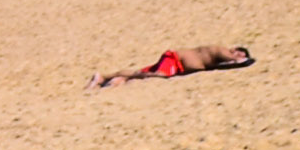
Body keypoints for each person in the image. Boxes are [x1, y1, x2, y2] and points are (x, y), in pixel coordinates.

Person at [93, 44, 253, 86]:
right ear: (235, 49)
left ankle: (109, 77)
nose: (239, 56)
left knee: (144, 71)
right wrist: (242, 61)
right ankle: (109, 77)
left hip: (178, 65)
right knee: (159, 75)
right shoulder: (222, 51)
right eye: (240, 53)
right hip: (175, 59)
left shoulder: (219, 58)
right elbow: (232, 60)